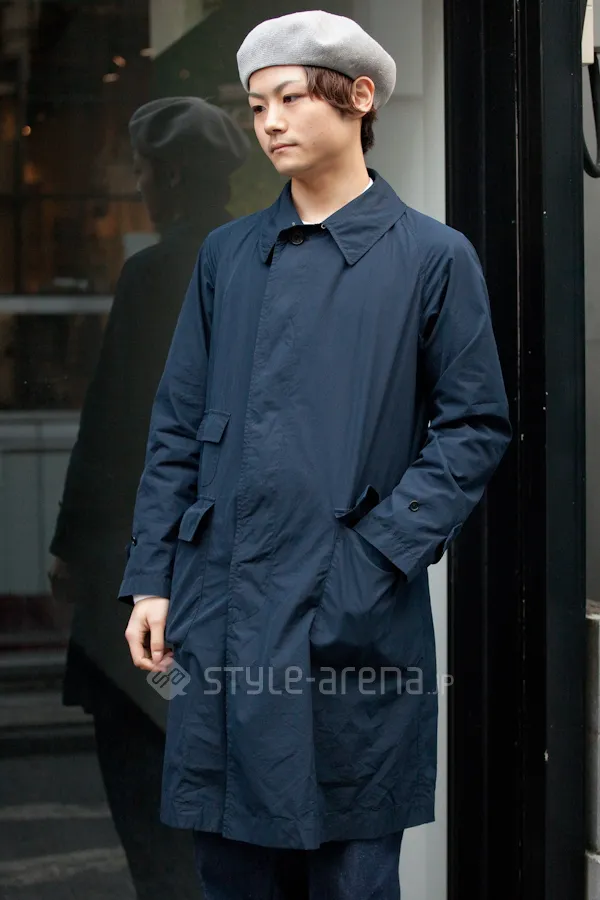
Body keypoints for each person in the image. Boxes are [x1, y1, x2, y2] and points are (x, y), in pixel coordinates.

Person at [121, 11, 512, 900]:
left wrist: (371, 558)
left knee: (351, 874)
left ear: (359, 97)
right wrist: (151, 579)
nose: (270, 123)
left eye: (290, 98)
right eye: (257, 105)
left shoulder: (432, 257)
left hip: (349, 613)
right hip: (222, 605)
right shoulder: (227, 256)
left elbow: (474, 427)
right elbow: (177, 425)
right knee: (231, 870)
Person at [48, 96, 250, 899]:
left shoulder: (153, 273)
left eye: (139, 170)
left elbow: (112, 424)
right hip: (235, 572)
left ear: (165, 176)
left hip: (142, 570)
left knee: (146, 791)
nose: (136, 185)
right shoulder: (262, 261)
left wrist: (70, 547)